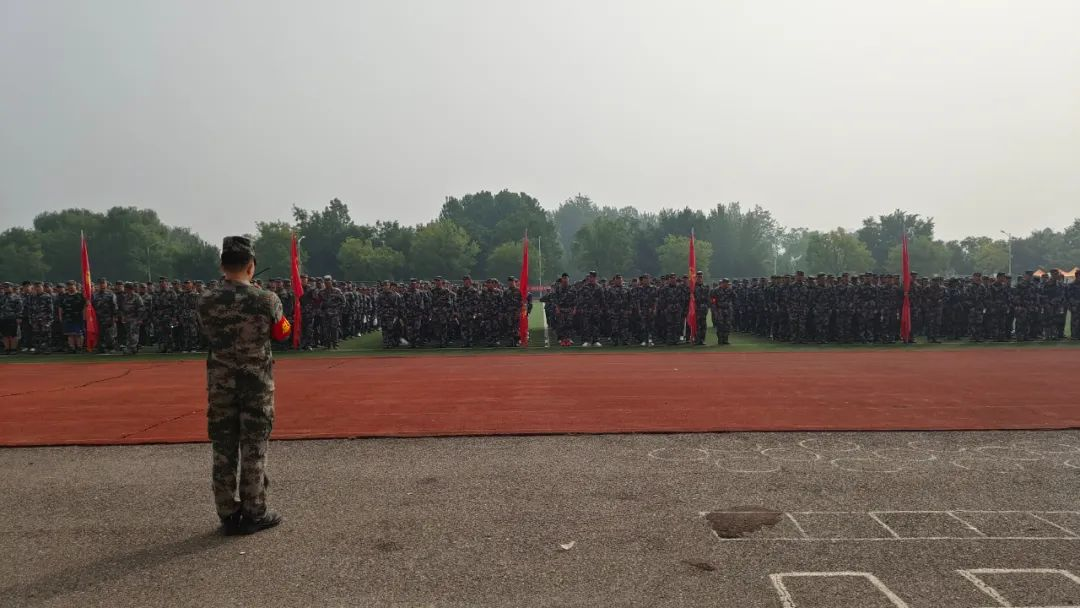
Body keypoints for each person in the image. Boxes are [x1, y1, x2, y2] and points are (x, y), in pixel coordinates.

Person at [197, 236, 288, 536]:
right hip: (256, 385)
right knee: (254, 448)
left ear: (222, 265)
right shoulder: (266, 299)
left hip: (220, 385)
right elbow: (283, 332)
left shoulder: (205, 299)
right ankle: (254, 512)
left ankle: (227, 513)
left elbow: (206, 331)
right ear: (251, 266)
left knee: (223, 449)